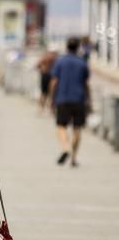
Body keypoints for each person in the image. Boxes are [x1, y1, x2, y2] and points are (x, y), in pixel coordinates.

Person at [48, 36, 91, 167]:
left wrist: (52, 98)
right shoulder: (82, 62)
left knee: (61, 125)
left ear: (67, 47)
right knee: (77, 128)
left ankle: (66, 148)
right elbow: (85, 84)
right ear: (78, 47)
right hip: (79, 99)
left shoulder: (60, 61)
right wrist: (89, 100)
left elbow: (54, 82)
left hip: (63, 98)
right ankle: (73, 158)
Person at [35, 48, 58, 114]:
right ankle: (50, 109)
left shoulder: (45, 57)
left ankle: (41, 109)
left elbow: (37, 65)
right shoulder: (54, 58)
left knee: (44, 93)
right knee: (51, 93)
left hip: (46, 75)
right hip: (50, 75)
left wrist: (42, 69)